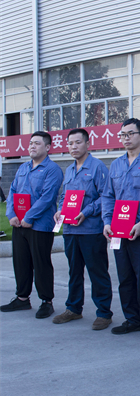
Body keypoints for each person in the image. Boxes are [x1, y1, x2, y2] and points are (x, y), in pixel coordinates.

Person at [101, 118, 140, 341]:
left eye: (130, 133)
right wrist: (107, 221)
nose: (126, 138)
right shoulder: (116, 164)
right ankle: (133, 319)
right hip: (119, 230)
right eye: (123, 134)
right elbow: (108, 196)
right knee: (125, 277)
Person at [51, 128, 114, 330]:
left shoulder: (97, 167)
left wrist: (86, 212)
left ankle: (103, 313)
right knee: (74, 272)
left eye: (78, 142)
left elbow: (105, 196)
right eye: (70, 143)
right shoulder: (69, 169)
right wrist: (60, 210)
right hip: (71, 231)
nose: (73, 147)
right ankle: (73, 308)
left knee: (97, 272)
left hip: (91, 231)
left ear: (87, 144)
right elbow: (64, 196)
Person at [1, 131, 63, 318]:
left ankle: (46, 302)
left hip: (40, 225)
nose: (32, 147)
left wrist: (29, 217)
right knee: (20, 262)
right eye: (30, 143)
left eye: (37, 143)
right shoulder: (23, 167)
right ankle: (22, 298)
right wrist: (11, 214)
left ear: (48, 147)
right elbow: (12, 192)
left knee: (41, 263)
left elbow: (47, 197)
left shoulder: (52, 169)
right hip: (19, 224)